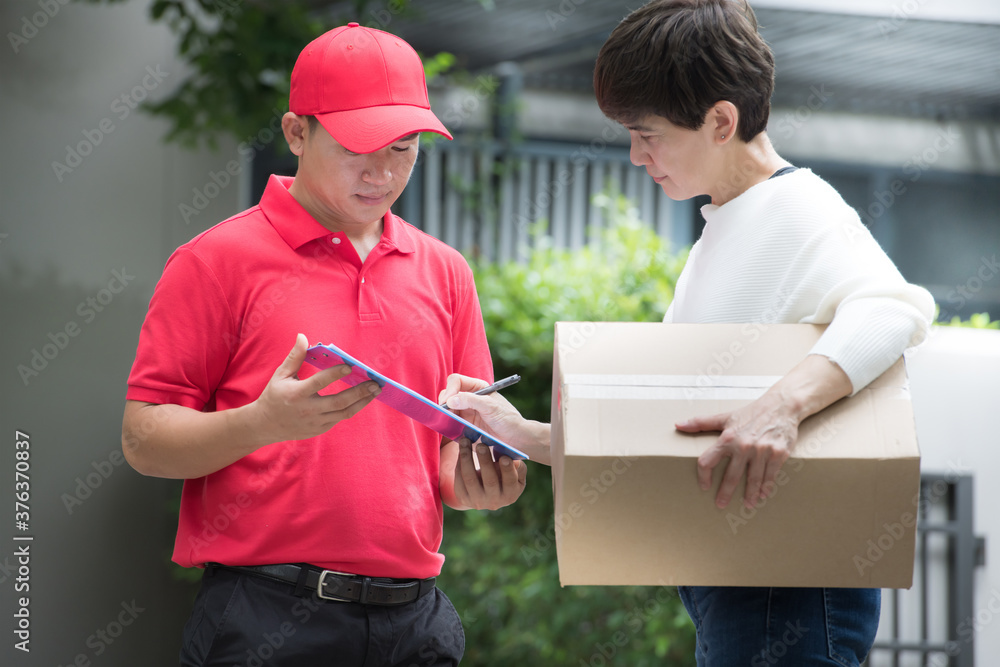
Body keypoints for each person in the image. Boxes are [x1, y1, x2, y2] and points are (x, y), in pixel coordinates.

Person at [440, 1, 935, 665]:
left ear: (721, 121)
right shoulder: (722, 228)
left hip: (787, 589)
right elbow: (672, 433)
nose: (637, 154)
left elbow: (895, 309)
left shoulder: (798, 208)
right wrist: (519, 432)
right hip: (732, 583)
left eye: (648, 134)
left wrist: (782, 406)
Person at [122, 23, 526, 667]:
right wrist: (261, 423)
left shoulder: (446, 270)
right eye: (356, 148)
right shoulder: (215, 261)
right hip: (266, 617)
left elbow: (454, 451)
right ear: (296, 133)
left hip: (415, 623)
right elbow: (143, 441)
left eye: (403, 147)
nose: (383, 172)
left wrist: (482, 481)